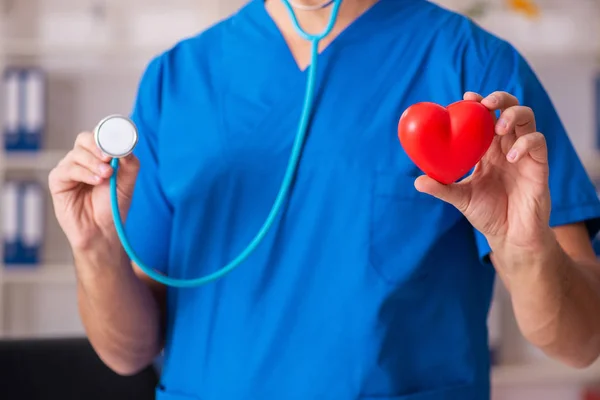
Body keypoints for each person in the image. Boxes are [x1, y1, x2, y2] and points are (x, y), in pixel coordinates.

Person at [48, 0, 600, 399]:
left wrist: (525, 252)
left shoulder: (473, 68)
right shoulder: (178, 79)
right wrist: (96, 249)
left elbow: (582, 342)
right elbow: (129, 351)